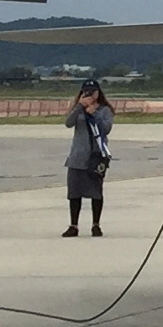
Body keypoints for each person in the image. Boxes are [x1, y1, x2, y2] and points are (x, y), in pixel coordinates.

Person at [61, 80, 114, 239]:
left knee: (96, 192)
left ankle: (96, 224)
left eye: (93, 91)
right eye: (87, 91)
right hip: (77, 156)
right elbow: (68, 123)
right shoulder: (78, 109)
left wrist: (94, 114)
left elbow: (106, 129)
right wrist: (79, 106)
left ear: (98, 92)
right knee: (74, 192)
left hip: (96, 156)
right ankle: (74, 225)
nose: (90, 94)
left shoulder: (104, 110)